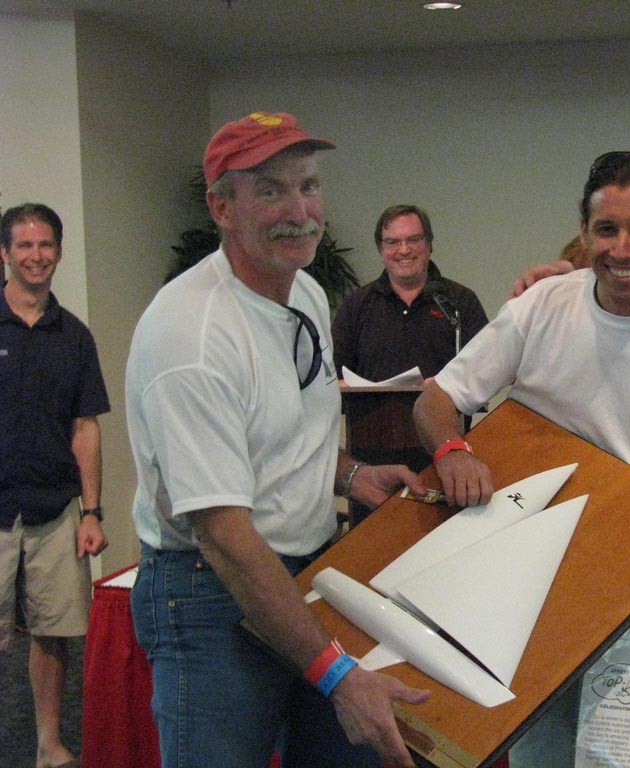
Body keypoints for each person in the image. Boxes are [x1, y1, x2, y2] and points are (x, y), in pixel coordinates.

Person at [414, 151, 630, 768]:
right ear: (586, 232)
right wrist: (453, 449)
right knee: (545, 750)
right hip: (542, 582)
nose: (623, 249)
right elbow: (437, 400)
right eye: (607, 230)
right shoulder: (542, 307)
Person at [125, 111, 430, 768]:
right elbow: (225, 536)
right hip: (211, 588)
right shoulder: (191, 336)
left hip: (308, 568)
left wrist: (349, 475)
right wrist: (336, 673)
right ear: (221, 207)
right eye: (270, 190)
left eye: (309, 185)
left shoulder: (309, 295)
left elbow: (287, 435)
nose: (301, 210)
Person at [0, 202, 110, 768]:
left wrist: (92, 512)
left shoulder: (75, 337)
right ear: (5, 254)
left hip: (54, 509)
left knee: (53, 632)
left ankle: (48, 744)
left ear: (58, 253)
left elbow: (85, 427)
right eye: (24, 246)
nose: (36, 256)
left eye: (45, 246)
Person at [331, 204, 487, 523]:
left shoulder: (459, 303)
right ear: (380, 248)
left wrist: (444, 390)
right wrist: (349, 388)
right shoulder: (357, 306)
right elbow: (330, 379)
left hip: (443, 464)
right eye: (393, 242)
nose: (404, 250)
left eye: (413, 239)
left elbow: (485, 380)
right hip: (372, 468)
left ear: (429, 244)